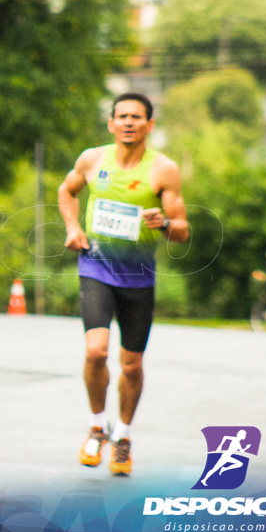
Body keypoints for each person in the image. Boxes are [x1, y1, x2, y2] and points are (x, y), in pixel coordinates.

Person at [57, 92, 189, 477]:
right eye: (122, 116)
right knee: (96, 351)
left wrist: (163, 223)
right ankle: (97, 426)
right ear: (112, 123)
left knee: (132, 365)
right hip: (96, 268)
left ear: (149, 125)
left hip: (139, 277)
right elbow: (67, 190)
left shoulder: (163, 170)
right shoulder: (92, 159)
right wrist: (72, 226)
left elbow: (182, 230)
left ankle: (124, 435)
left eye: (137, 117)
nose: (129, 122)